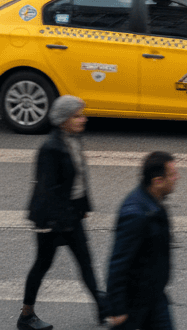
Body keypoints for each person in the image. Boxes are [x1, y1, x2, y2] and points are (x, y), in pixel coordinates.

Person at [19, 96, 107, 330]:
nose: (83, 119)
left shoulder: (74, 140)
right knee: (42, 265)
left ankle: (102, 309)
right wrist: (59, 220)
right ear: (63, 120)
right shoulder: (51, 147)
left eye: (82, 114)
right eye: (77, 116)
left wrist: (84, 207)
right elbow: (48, 189)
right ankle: (26, 316)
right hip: (51, 219)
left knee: (86, 263)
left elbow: (79, 176)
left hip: (71, 215)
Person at [106, 151, 178, 330]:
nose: (177, 178)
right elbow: (118, 264)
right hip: (134, 302)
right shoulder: (136, 214)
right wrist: (118, 308)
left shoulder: (154, 203)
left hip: (154, 296)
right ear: (157, 181)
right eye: (172, 174)